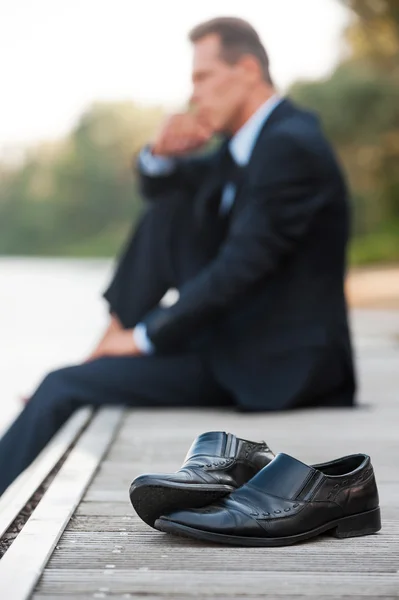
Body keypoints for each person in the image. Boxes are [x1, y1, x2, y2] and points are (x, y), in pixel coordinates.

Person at [0, 17, 356, 496]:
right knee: (169, 204)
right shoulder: (247, 147)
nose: (194, 96)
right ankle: (108, 341)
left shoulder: (290, 146)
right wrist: (158, 152)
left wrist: (147, 336)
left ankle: (112, 344)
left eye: (202, 78)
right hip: (227, 341)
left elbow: (241, 267)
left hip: (272, 367)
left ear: (247, 69)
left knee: (63, 385)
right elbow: (161, 185)